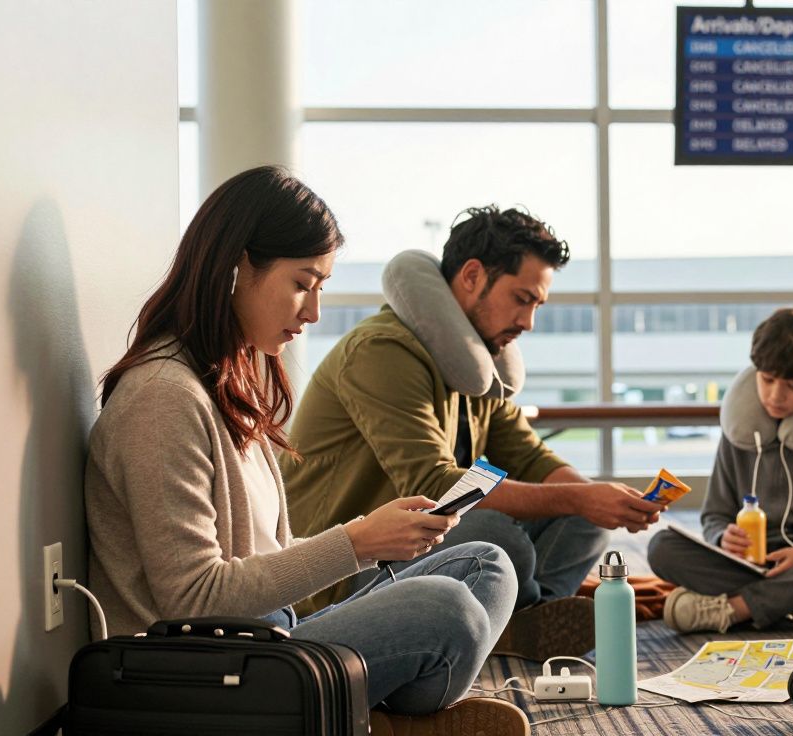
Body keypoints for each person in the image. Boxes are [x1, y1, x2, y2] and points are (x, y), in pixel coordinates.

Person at [84, 167, 526, 733]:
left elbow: (264, 553)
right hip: (205, 677)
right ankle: (363, 714)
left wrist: (369, 539)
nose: (313, 312)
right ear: (235, 268)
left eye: (321, 288)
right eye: (302, 283)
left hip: (269, 639)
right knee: (449, 609)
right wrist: (356, 542)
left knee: (485, 565)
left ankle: (354, 711)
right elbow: (193, 599)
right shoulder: (162, 399)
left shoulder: (225, 384)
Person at [282, 205, 665, 660]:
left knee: (584, 519)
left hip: (420, 541)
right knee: (497, 537)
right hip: (344, 569)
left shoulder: (477, 362)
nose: (528, 322)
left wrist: (597, 500)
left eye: (537, 305)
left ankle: (522, 619)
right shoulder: (380, 351)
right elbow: (434, 483)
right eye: (521, 299)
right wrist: (581, 498)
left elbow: (531, 458)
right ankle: (521, 616)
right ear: (471, 276)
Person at [648, 308, 793, 634]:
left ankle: (738, 609)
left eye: (792, 385)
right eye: (767, 380)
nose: (776, 395)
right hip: (747, 564)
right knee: (662, 547)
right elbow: (714, 515)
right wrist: (723, 537)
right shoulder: (738, 432)